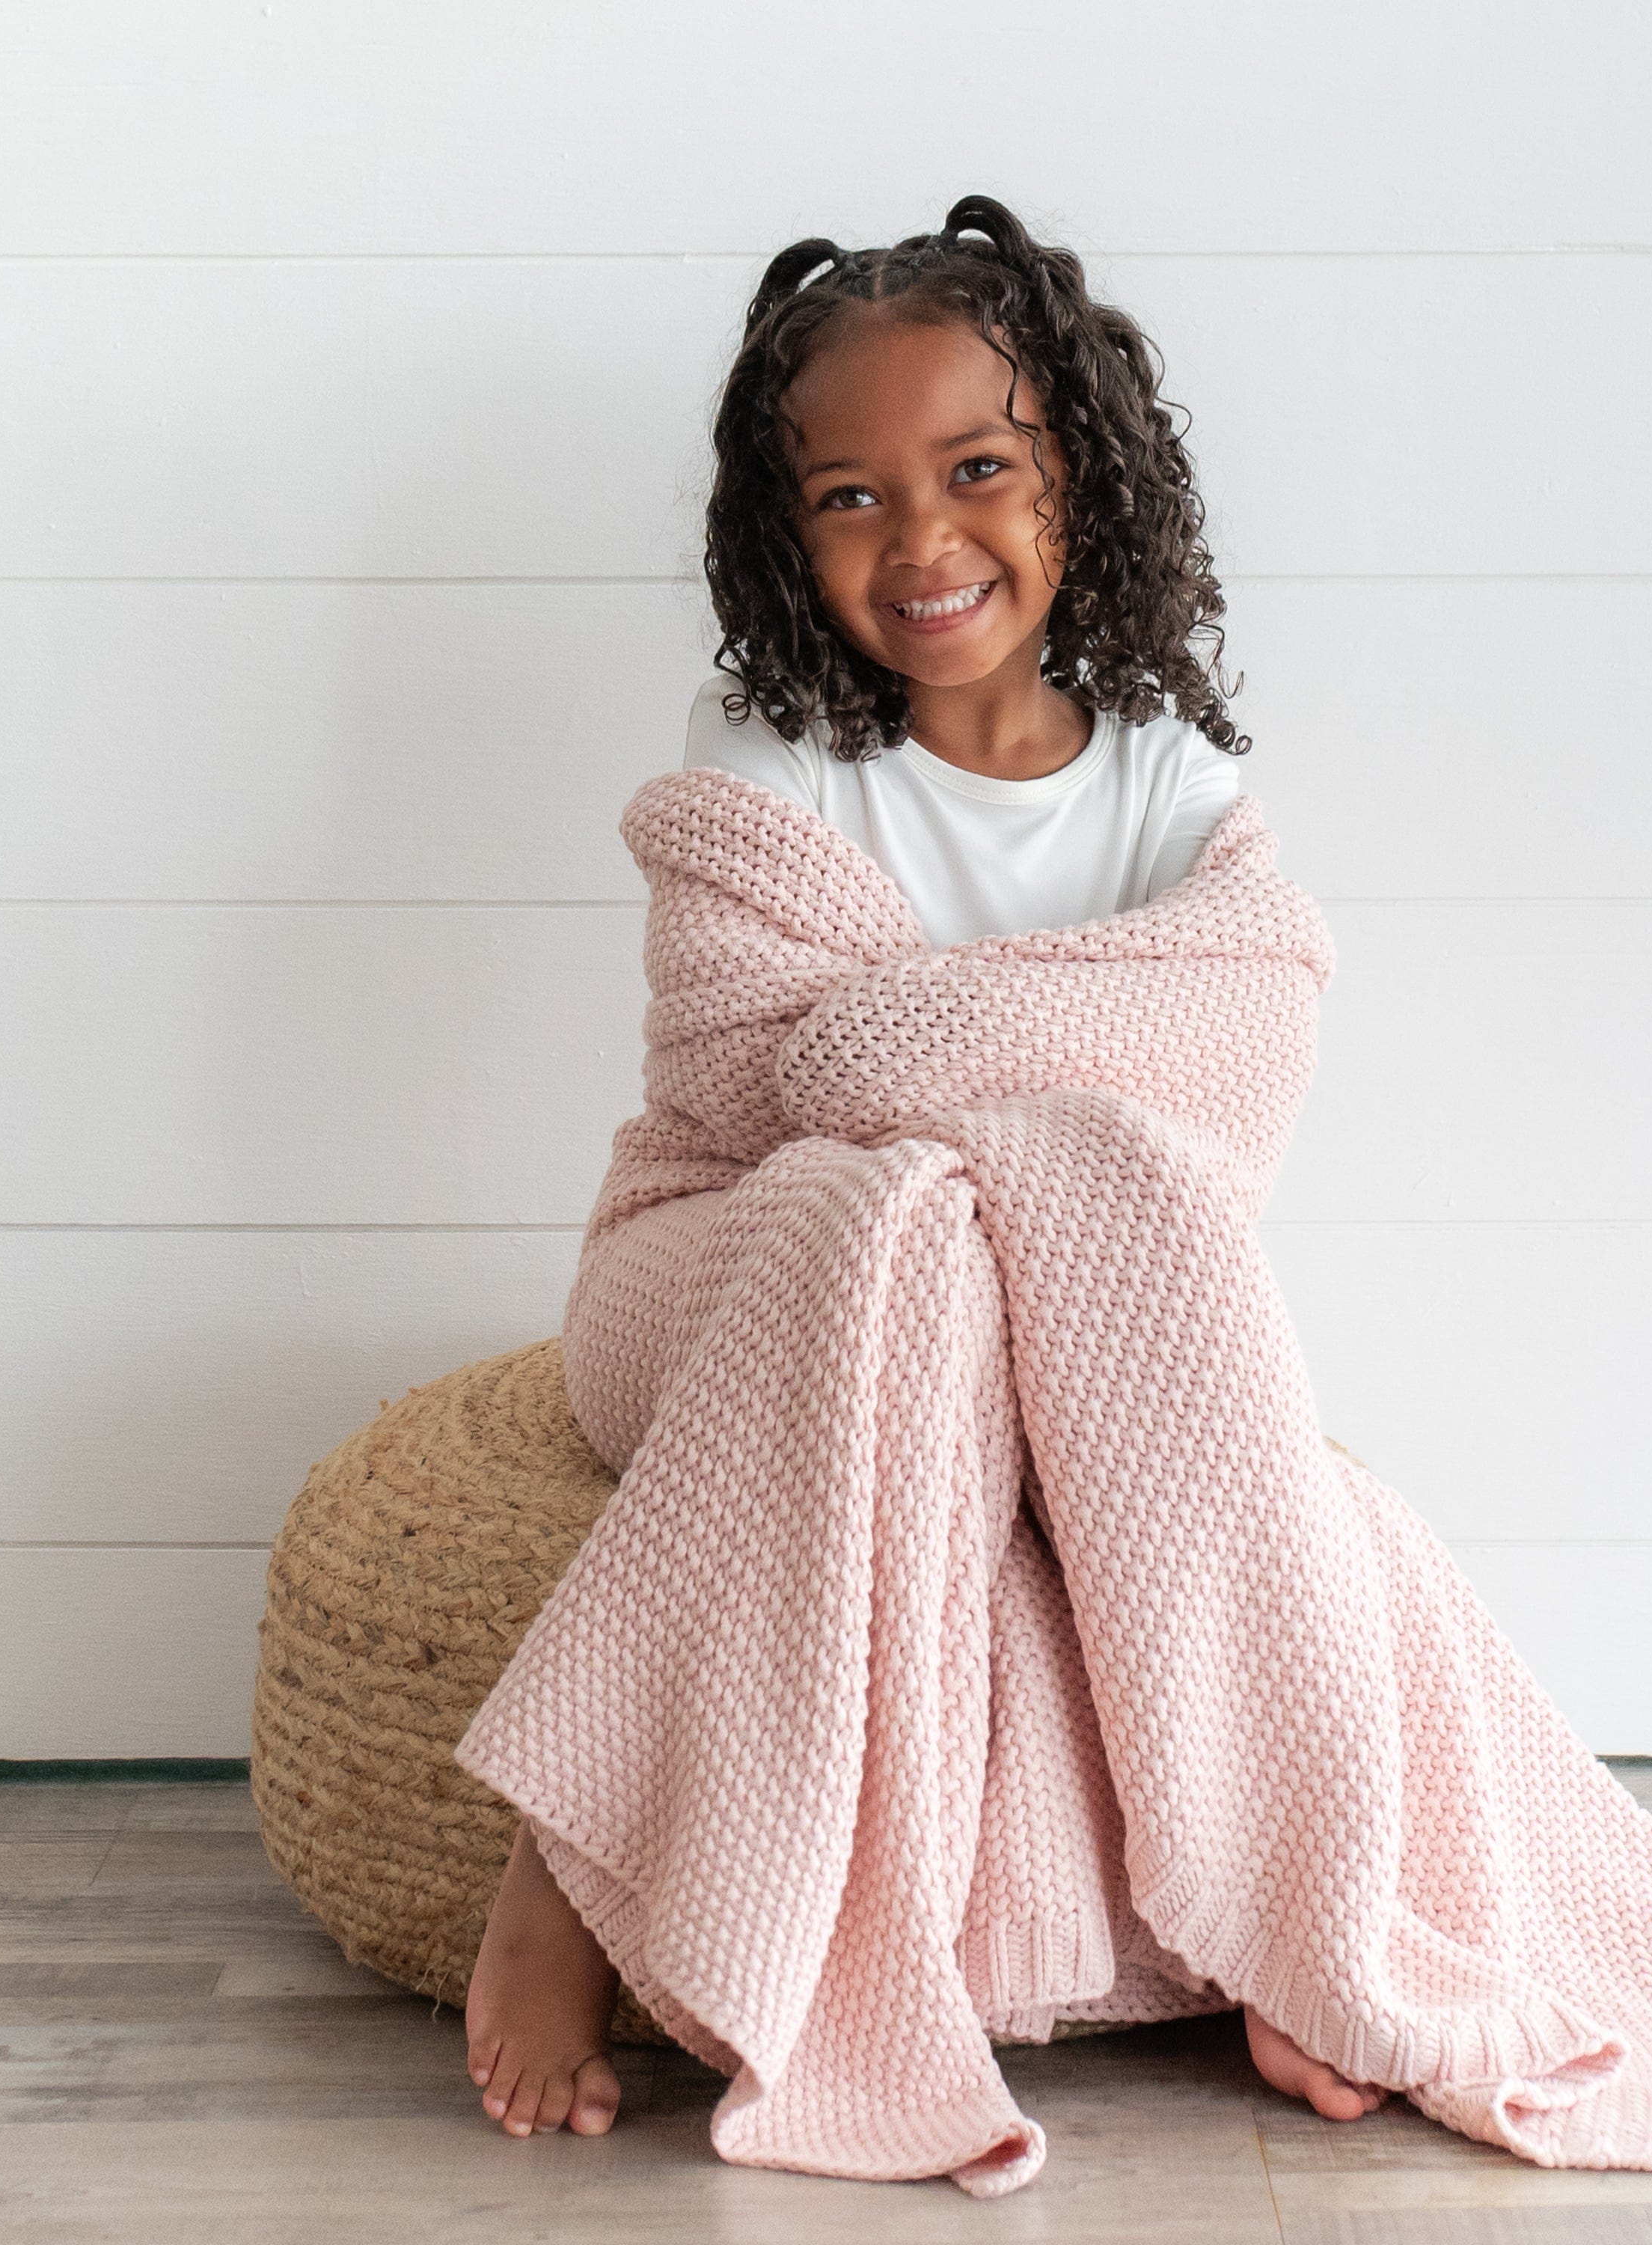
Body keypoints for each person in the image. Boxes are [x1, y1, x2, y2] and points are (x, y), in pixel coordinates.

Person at [460, 193, 1387, 2139]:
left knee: (945, 1221)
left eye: (975, 470)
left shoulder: (1166, 784)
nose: (923, 539)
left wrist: (909, 1055)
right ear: (783, 536)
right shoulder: (771, 750)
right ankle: (560, 1867)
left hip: (1017, 1304)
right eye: (850, 497)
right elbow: (759, 1087)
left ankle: (1299, 1916)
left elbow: (1231, 1081)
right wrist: (1005, 1087)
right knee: (892, 1221)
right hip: (709, 1262)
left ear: (1080, 473)